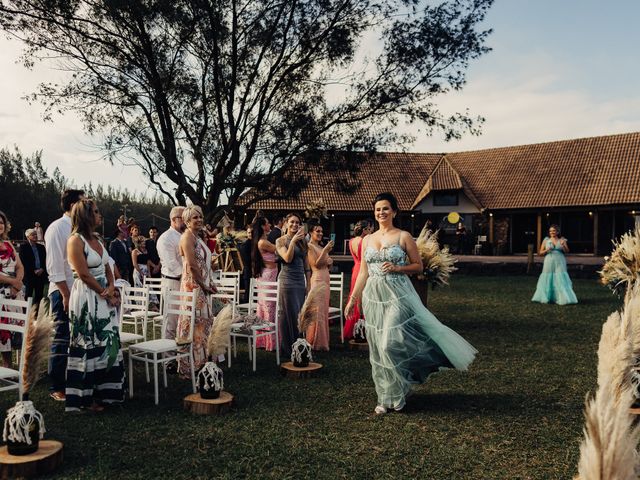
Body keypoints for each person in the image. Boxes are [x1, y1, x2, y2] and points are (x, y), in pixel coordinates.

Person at [345, 192, 477, 415]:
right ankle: (387, 396)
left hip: (398, 293)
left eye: (385, 208)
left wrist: (398, 268)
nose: (381, 212)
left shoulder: (404, 236)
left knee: (389, 343)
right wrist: (352, 299)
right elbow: (363, 273)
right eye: (378, 209)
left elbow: (417, 266)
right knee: (377, 349)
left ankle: (399, 389)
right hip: (374, 297)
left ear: (394, 211)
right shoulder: (367, 240)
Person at [66, 199, 124, 412]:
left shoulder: (98, 239)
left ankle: (107, 393)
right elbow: (82, 273)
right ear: (85, 215)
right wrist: (103, 293)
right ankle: (86, 397)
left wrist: (111, 286)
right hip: (86, 296)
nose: (100, 215)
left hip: (104, 295)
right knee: (88, 341)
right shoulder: (75, 241)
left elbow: (107, 266)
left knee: (107, 339)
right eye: (97, 212)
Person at [45, 188, 85, 402]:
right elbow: (54, 267)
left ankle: (75, 379)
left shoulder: (80, 228)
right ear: (72, 205)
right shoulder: (56, 228)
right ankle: (57, 385)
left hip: (81, 291)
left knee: (78, 338)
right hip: (62, 291)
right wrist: (66, 294)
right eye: (82, 202)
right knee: (61, 336)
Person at [177, 206, 216, 376]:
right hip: (193, 286)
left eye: (200, 217)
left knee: (202, 324)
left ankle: (201, 360)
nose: (199, 220)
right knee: (194, 323)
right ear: (186, 221)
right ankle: (191, 363)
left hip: (202, 285)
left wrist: (210, 282)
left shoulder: (197, 237)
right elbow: (192, 266)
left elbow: (203, 264)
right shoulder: (187, 238)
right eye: (195, 218)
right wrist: (204, 285)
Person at [275, 213, 310, 357]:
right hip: (287, 282)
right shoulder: (280, 241)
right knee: (287, 314)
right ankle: (288, 349)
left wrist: (308, 282)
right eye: (292, 222)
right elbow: (287, 258)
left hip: (300, 281)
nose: (295, 225)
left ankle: (300, 347)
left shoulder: (303, 242)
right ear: (286, 223)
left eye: (297, 222)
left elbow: (306, 264)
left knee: (299, 314)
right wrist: (293, 240)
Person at [0, 210, 25, 368]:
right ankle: (7, 366)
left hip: (15, 294)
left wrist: (18, 282)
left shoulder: (9, 244)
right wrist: (13, 282)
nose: (0, 225)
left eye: (1, 222)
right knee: (3, 330)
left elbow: (20, 266)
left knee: (15, 330)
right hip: (1, 294)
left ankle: (19, 367)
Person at [157, 206, 185, 341]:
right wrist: (189, 277)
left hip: (184, 281)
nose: (186, 221)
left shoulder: (184, 236)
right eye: (183, 218)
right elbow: (172, 264)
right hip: (172, 282)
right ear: (174, 219)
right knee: (171, 321)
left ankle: (181, 354)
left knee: (184, 318)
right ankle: (168, 358)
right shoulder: (165, 238)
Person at [305, 220, 334, 351]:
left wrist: (329, 261)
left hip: (325, 279)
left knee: (323, 310)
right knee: (317, 311)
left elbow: (325, 263)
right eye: (317, 231)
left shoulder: (321, 247)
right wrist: (325, 252)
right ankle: (315, 341)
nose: (321, 233)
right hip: (317, 279)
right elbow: (315, 264)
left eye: (322, 231)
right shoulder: (310, 246)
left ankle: (323, 340)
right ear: (311, 232)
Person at [532, 225, 578, 305]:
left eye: (553, 231)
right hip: (549, 259)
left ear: (557, 232)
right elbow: (540, 253)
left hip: (560, 259)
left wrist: (563, 245)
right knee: (548, 276)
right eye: (550, 231)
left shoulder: (562, 240)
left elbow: (567, 251)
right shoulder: (546, 240)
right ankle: (547, 297)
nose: (552, 232)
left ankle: (562, 297)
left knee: (560, 276)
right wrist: (547, 249)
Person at [250, 216, 278, 350]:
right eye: (267, 223)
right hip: (268, 276)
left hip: (268, 274)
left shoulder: (263, 240)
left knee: (265, 307)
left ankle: (262, 340)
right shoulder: (263, 242)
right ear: (262, 226)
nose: (270, 225)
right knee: (269, 307)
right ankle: (269, 342)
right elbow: (278, 249)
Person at [344, 219, 373, 340]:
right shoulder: (363, 241)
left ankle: (353, 327)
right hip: (363, 270)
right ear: (365, 230)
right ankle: (362, 327)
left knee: (355, 297)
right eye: (370, 229)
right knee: (364, 298)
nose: (371, 231)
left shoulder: (351, 241)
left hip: (355, 269)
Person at [18, 228, 48, 305]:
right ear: (28, 237)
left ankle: (37, 313)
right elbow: (23, 262)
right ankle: (26, 314)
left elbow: (45, 260)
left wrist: (42, 269)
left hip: (40, 275)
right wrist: (33, 271)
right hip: (29, 276)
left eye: (35, 234)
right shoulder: (23, 247)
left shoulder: (41, 247)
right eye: (33, 234)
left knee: (39, 296)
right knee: (28, 295)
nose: (35, 236)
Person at [238, 224, 253, 303]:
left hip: (250, 270)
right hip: (248, 270)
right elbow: (247, 260)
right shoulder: (245, 245)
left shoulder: (254, 243)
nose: (250, 234)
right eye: (249, 232)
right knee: (248, 290)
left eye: (251, 232)